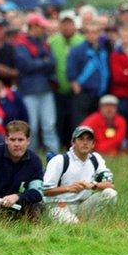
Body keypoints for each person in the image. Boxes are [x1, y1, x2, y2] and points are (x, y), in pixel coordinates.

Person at [43, 126, 117, 224]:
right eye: (81, 139)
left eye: (89, 139)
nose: (85, 142)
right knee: (74, 226)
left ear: (93, 144)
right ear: (73, 143)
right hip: (58, 205)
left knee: (110, 193)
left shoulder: (96, 159)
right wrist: (69, 188)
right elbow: (45, 191)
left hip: (82, 205)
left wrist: (93, 185)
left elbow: (110, 184)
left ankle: (93, 224)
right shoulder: (59, 160)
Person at [14, 12, 59, 152]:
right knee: (31, 127)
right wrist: (42, 62)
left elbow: (53, 62)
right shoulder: (21, 44)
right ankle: (30, 156)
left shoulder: (44, 43)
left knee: (49, 125)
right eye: (40, 26)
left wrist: (37, 62)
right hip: (29, 90)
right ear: (33, 26)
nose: (43, 29)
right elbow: (25, 65)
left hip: (45, 89)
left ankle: (55, 156)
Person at [47, 10, 84, 146]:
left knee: (75, 119)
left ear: (75, 25)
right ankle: (60, 145)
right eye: (64, 24)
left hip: (76, 89)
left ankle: (75, 145)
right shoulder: (52, 41)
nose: (67, 27)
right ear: (59, 25)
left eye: (70, 24)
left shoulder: (82, 41)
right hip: (58, 89)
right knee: (58, 119)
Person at [67, 22, 109, 128]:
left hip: (99, 93)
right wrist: (75, 85)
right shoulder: (77, 50)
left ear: (99, 33)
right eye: (89, 32)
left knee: (98, 124)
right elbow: (70, 70)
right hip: (83, 93)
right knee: (80, 124)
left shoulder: (103, 50)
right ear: (85, 34)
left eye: (95, 32)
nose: (92, 35)